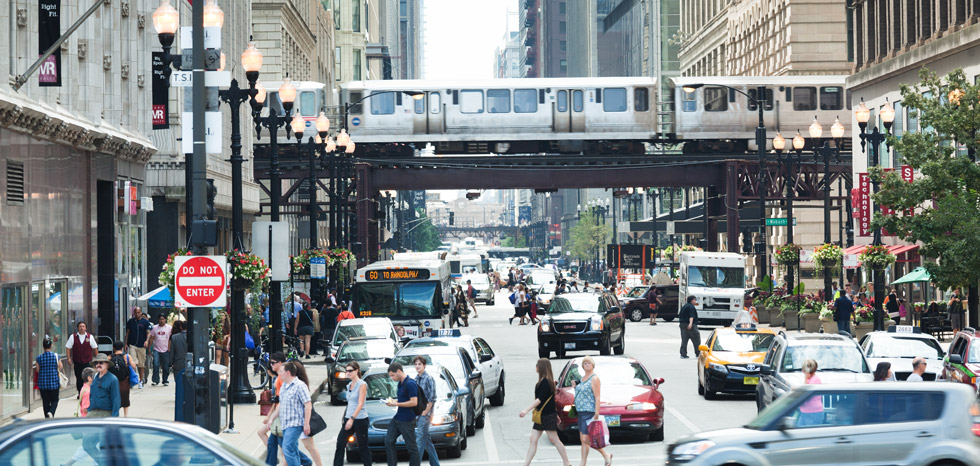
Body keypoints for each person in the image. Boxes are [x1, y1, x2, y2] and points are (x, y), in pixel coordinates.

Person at [519, 358, 571, 466]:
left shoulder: (546, 382)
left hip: (546, 415)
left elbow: (540, 399)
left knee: (554, 439)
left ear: (541, 367)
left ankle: (567, 462)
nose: (536, 367)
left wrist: (526, 410)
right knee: (533, 439)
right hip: (543, 415)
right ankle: (526, 464)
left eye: (537, 365)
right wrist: (556, 413)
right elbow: (551, 399)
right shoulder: (546, 381)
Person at [266, 361, 314, 466]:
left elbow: (308, 405)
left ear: (288, 373)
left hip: (295, 424)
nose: (279, 374)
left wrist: (306, 424)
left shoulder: (300, 386)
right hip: (285, 424)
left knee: (287, 447)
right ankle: (306, 463)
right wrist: (271, 419)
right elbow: (281, 405)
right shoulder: (284, 387)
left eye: (281, 372)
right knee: (293, 449)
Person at [572, 356, 612, 466]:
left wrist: (597, 412)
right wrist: (575, 386)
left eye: (589, 363)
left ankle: (604, 455)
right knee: (583, 440)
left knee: (586, 439)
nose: (586, 365)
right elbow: (581, 392)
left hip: (589, 411)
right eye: (584, 363)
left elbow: (597, 396)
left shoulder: (594, 378)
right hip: (580, 411)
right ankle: (585, 462)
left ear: (593, 365)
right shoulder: (583, 378)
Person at [334, 361, 371, 466]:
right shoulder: (349, 385)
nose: (348, 373)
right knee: (340, 443)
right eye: (346, 371)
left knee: (363, 446)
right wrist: (348, 418)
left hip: (359, 419)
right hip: (348, 418)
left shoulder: (362, 384)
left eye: (350, 371)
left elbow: (360, 404)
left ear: (357, 371)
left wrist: (352, 419)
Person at [384, 362, 420, 466]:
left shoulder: (410, 383)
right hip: (398, 418)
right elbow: (403, 399)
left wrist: (396, 403)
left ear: (399, 371)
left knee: (412, 448)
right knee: (388, 441)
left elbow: (414, 402)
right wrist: (393, 401)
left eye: (392, 375)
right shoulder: (400, 383)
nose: (392, 378)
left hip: (407, 420)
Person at [413, 357, 440, 466]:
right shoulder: (415, 380)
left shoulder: (429, 378)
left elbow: (432, 398)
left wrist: (425, 412)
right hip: (419, 414)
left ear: (424, 365)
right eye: (416, 364)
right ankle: (435, 464)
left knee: (419, 441)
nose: (417, 366)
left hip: (426, 414)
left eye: (419, 364)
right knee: (426, 441)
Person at [66, 321, 98, 395]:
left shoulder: (90, 337)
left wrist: (97, 359)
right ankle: (80, 392)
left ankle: (87, 392)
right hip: (77, 361)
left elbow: (95, 348)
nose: (82, 328)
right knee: (79, 377)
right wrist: (68, 358)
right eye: (80, 326)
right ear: (77, 328)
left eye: (83, 326)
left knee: (87, 377)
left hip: (87, 361)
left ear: (86, 328)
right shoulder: (73, 337)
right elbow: (68, 347)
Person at [35, 337, 63, 417]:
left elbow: (37, 370)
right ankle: (51, 413)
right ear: (51, 346)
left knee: (45, 401)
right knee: (54, 400)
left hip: (43, 384)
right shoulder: (56, 356)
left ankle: (47, 417)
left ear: (43, 346)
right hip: (54, 382)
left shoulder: (39, 358)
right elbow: (60, 366)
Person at [109, 340, 138, 417]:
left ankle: (115, 414)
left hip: (113, 381)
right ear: (122, 348)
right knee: (125, 398)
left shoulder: (110, 357)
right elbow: (134, 366)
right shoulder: (127, 356)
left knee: (114, 397)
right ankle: (125, 415)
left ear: (113, 348)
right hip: (124, 381)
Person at [125, 306, 151, 388]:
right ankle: (133, 379)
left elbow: (148, 333)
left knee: (141, 364)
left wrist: (146, 341)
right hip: (132, 344)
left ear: (141, 313)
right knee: (133, 363)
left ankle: (141, 380)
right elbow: (127, 333)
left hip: (141, 345)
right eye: (135, 312)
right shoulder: (130, 322)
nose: (137, 314)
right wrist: (126, 343)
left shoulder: (145, 322)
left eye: (138, 312)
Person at [87, 353, 121, 417]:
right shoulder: (94, 377)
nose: (98, 365)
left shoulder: (113, 379)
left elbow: (116, 400)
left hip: (106, 413)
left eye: (101, 362)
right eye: (96, 363)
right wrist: (89, 409)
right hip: (92, 412)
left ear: (107, 364)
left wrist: (115, 417)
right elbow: (91, 395)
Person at [168, 320, 188, 422]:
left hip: (178, 363)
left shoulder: (175, 337)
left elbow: (172, 352)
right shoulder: (191, 337)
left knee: (178, 383)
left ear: (181, 327)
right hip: (188, 363)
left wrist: (171, 362)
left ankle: (180, 400)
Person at [146, 314, 172, 386]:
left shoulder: (169, 328)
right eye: (160, 319)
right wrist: (149, 348)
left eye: (163, 319)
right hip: (156, 349)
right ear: (158, 320)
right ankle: (155, 380)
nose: (161, 321)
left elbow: (170, 339)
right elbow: (151, 338)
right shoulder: (154, 328)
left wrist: (170, 348)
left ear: (165, 320)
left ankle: (165, 380)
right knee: (156, 365)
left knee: (166, 366)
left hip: (166, 349)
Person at [797, 359, 823, 426]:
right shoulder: (810, 379)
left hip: (813, 413)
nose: (802, 370)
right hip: (805, 411)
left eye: (803, 369)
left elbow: (805, 394)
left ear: (808, 370)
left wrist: (805, 378)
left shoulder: (815, 380)